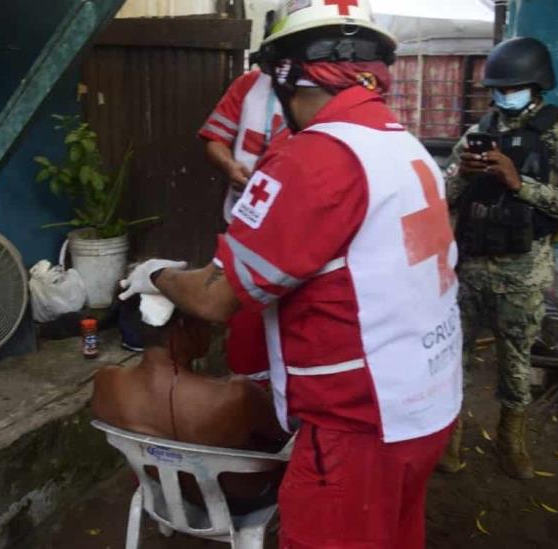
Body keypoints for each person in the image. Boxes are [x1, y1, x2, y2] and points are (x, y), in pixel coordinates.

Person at [119, 2, 462, 547]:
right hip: (425, 402)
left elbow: (217, 297)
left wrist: (158, 275)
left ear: (287, 76)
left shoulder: (316, 157)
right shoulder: (405, 145)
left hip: (356, 421)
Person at [441, 37, 558, 479]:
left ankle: (511, 440)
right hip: (470, 267)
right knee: (453, 359)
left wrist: (519, 183)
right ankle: (451, 439)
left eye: (515, 86)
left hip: (523, 273)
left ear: (537, 85)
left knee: (516, 361)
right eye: (498, 88)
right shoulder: (479, 131)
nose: (505, 95)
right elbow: (442, 195)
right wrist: (462, 176)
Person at [91, 295, 288, 513]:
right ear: (184, 325)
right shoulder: (235, 394)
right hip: (240, 500)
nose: (212, 330)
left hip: (164, 492)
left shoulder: (106, 381)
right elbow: (283, 435)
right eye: (206, 322)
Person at [198, 3, 284, 385]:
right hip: (243, 219)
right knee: (244, 309)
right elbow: (214, 138)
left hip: (294, 229)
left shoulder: (325, 93)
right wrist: (230, 167)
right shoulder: (248, 85)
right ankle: (249, 391)